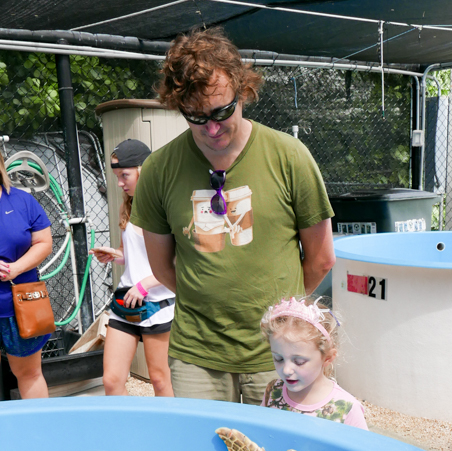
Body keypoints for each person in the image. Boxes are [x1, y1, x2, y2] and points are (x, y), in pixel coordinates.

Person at [131, 27, 336, 405]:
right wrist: (212, 302)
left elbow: (322, 258)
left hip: (277, 353)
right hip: (198, 355)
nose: (211, 128)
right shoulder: (159, 169)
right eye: (195, 116)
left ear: (243, 90)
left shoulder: (289, 156)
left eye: (221, 111)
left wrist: (280, 317)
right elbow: (162, 269)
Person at [90, 139, 175, 396]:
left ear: (143, 169)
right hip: (126, 302)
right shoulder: (128, 204)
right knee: (111, 380)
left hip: (158, 304)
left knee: (160, 380)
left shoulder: (166, 206)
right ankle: (125, 434)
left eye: (124, 175)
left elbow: (177, 261)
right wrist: (114, 255)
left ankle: (167, 434)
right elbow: (134, 254)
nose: (119, 183)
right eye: (116, 176)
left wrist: (145, 284)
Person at [260, 296, 368, 429]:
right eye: (278, 359)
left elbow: (359, 449)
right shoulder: (273, 392)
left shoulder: (346, 409)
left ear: (327, 357)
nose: (286, 370)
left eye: (299, 361)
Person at [0, 151, 53, 398]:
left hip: (21, 304)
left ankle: (41, 432)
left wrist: (15, 268)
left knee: (29, 373)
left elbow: (44, 242)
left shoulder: (22, 201)